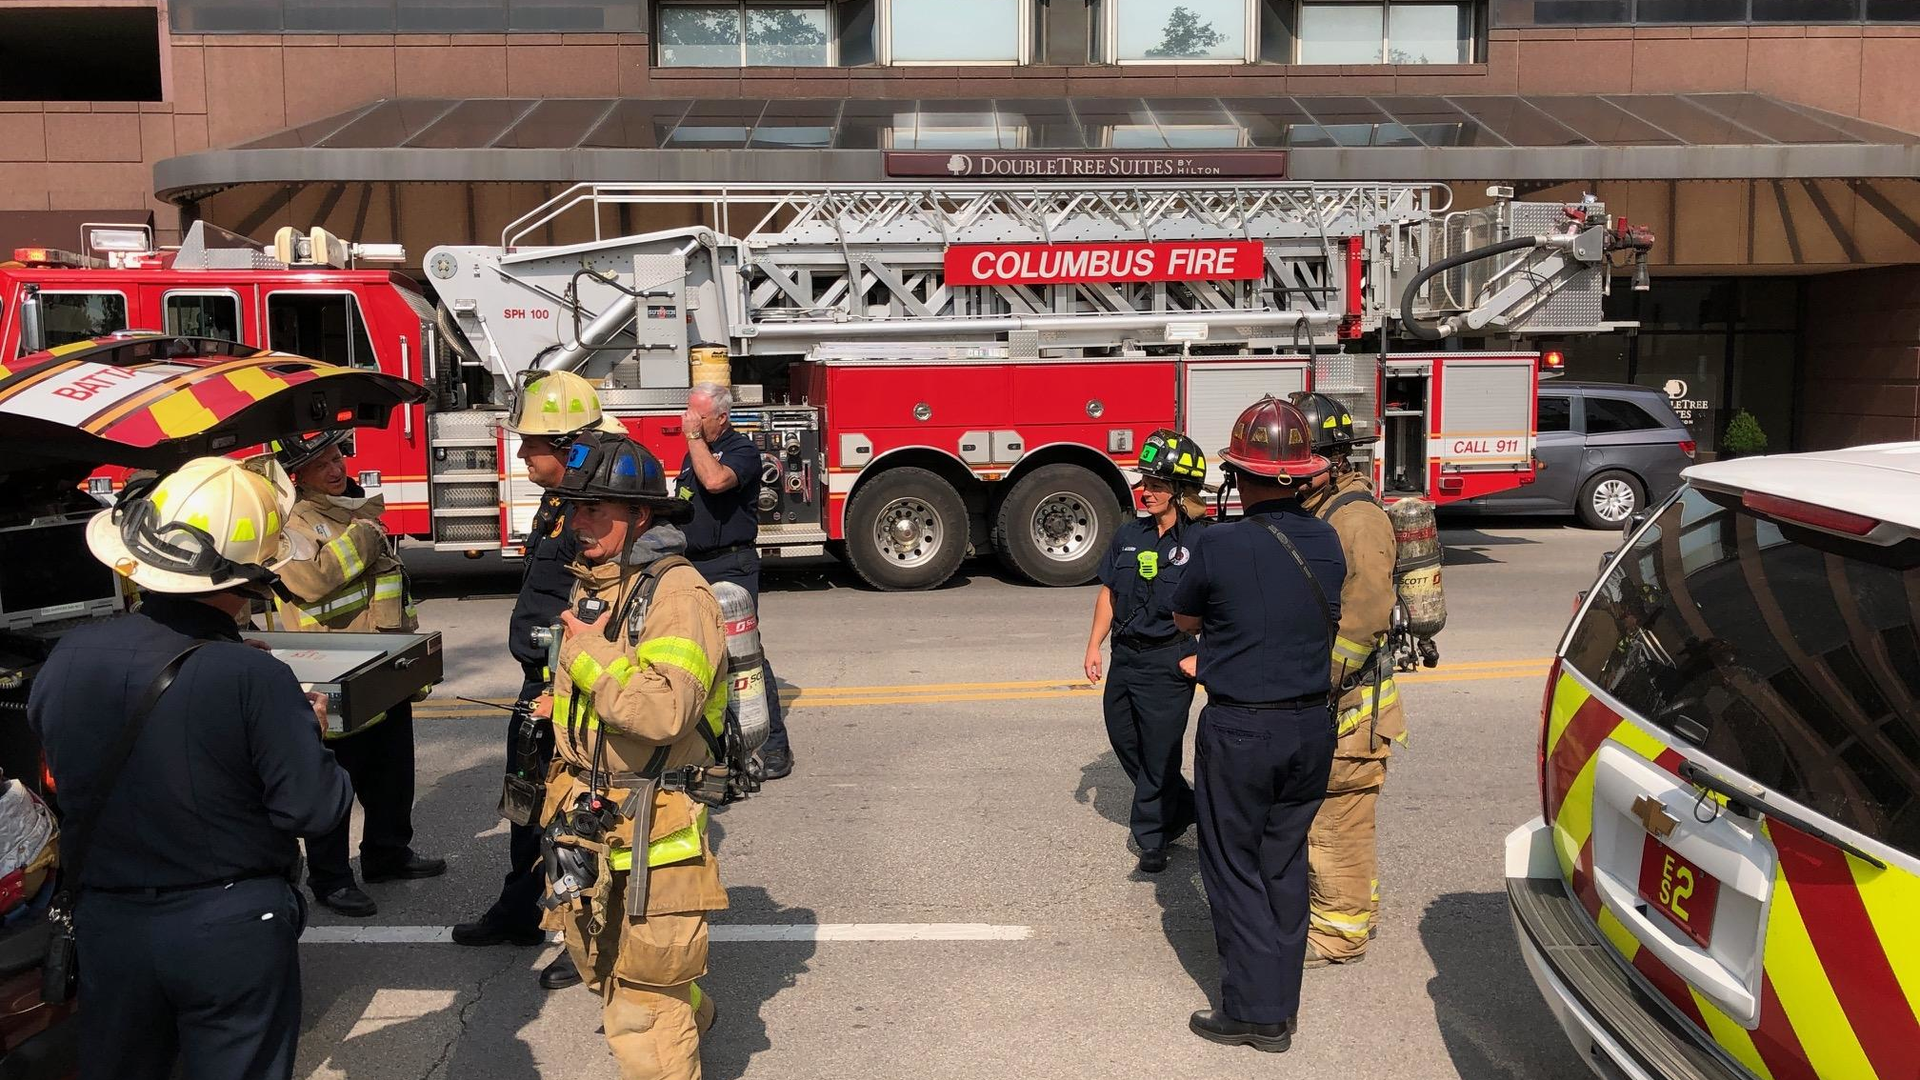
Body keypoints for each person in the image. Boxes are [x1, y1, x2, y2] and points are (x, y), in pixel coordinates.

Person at [30, 456, 352, 1080]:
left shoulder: (70, 655)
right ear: (252, 573)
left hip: (109, 922)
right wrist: (306, 730)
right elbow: (313, 808)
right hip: (228, 926)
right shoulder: (254, 676)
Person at [534, 431, 730, 1080]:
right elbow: (605, 681)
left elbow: (664, 711)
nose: (578, 523)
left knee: (642, 1007)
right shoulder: (599, 581)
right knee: (601, 966)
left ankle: (671, 1021)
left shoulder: (679, 595)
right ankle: (686, 1013)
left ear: (640, 515)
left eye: (596, 511)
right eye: (574, 508)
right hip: (589, 819)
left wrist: (586, 657)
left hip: (656, 826)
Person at [1170, 396, 1346, 1054]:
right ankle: (1283, 998)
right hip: (1311, 725)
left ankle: (1255, 1011)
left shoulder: (1218, 542)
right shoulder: (1327, 538)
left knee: (1233, 864)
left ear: (1238, 476)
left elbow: (1185, 620)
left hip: (1243, 728)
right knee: (1282, 861)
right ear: (1298, 474)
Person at [453, 370, 624, 992]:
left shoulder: (603, 510)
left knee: (579, 816)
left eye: (532, 443)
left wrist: (568, 682)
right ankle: (518, 911)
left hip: (575, 690)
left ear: (571, 445)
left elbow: (609, 610)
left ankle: (588, 938)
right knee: (526, 804)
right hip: (540, 685)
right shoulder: (565, 502)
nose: (521, 453)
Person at [271, 431, 445, 917]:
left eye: (336, 458)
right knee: (336, 777)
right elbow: (309, 580)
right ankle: (330, 879)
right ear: (297, 476)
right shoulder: (294, 523)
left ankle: (387, 855)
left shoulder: (350, 510)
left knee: (392, 772)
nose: (335, 469)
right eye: (321, 464)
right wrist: (366, 536)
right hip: (332, 668)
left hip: (382, 663)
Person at [1288, 391, 1406, 968]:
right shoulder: (1325, 509)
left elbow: (1361, 620)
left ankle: (1339, 934)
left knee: (1338, 822)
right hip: (1338, 702)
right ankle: (1357, 909)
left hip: (1349, 706)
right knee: (1335, 819)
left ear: (1330, 458)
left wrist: (1315, 681)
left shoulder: (1355, 519)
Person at [1083, 429, 1211, 875]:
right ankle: (1185, 808)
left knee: (1159, 751)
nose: (1146, 491)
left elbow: (1221, 606)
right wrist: (1094, 646)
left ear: (1179, 490)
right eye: (1144, 483)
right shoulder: (1127, 535)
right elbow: (1109, 594)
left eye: (1156, 484)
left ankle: (1152, 836)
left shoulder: (1202, 542)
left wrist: (1204, 655)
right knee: (1125, 739)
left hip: (1169, 660)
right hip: (1126, 656)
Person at [678, 381, 793, 780]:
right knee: (700, 659)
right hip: (694, 566)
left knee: (744, 657)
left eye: (697, 416)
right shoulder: (696, 450)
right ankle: (714, 745)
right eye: (688, 414)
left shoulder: (742, 451)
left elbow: (714, 482)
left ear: (721, 418)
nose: (688, 422)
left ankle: (775, 746)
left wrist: (694, 438)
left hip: (730, 568)